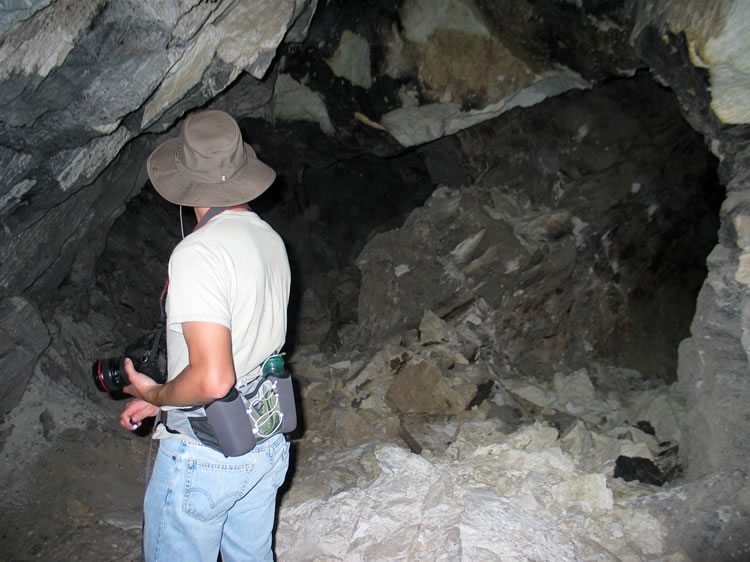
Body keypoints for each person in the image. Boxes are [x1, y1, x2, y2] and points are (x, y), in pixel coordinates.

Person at [118, 109, 292, 561]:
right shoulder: (269, 238)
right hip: (266, 440)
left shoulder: (198, 252)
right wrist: (165, 398)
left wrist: (156, 394)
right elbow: (247, 349)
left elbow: (214, 379)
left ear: (183, 181)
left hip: (207, 453)